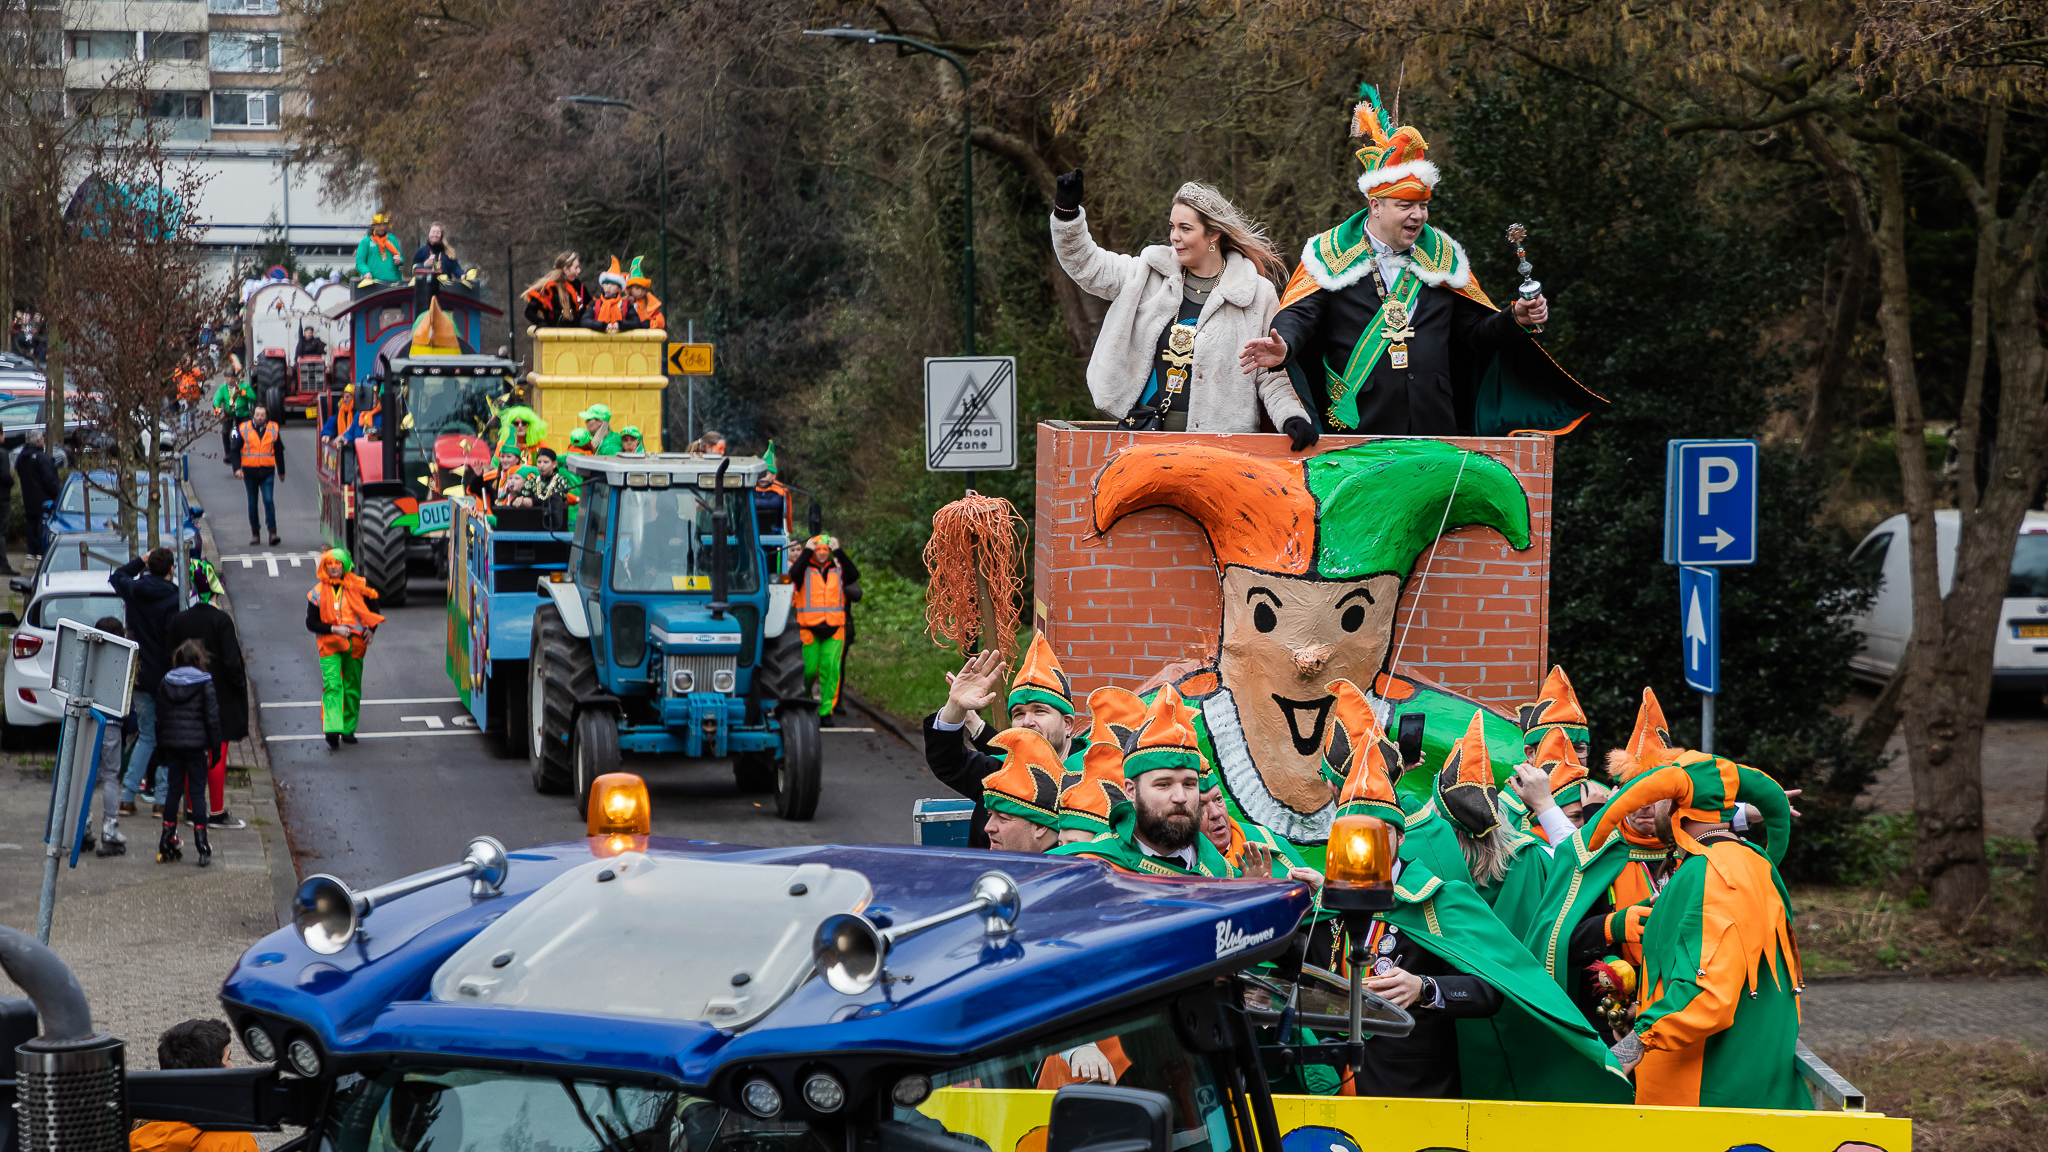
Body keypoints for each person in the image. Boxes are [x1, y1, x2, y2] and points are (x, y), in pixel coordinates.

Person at [1239, 84, 1601, 437]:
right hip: (1358, 430)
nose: (1418, 216)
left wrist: (1515, 318)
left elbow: (1475, 334)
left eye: (1423, 205)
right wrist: (1283, 343)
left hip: (1435, 427)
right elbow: (1300, 315)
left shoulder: (1443, 258)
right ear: (1375, 206)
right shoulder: (1329, 253)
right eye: (1406, 206)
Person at [1322, 706, 1629, 1103]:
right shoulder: (1531, 856)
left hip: (1435, 1078)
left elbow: (1493, 984)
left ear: (1406, 838)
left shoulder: (1441, 888)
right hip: (1374, 1078)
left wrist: (1424, 987)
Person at [1592, 752, 1807, 1109]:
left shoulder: (1717, 872)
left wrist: (1633, 1045)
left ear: (1678, 806)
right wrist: (1641, 1013)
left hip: (1711, 1091)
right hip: (1723, 1080)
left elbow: (1709, 993)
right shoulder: (1739, 860)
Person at [1049, 175, 1313, 444]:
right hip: (1140, 437)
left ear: (1213, 234)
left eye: (1185, 228)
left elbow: (1271, 375)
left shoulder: (1257, 293)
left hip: (1220, 449)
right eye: (1172, 227)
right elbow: (1088, 265)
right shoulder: (1146, 273)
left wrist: (1292, 417)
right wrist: (1067, 215)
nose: (1174, 237)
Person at [923, 636, 1093, 848]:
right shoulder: (999, 769)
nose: (1027, 722)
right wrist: (956, 707)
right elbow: (948, 763)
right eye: (1018, 714)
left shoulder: (1095, 778)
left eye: (1040, 711)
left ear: (1067, 724)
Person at [1049, 685, 1236, 877]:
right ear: (1130, 790)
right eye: (1163, 784)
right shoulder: (1087, 867)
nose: (1181, 797)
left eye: (1189, 784)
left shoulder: (1223, 872)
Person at [167, 559, 248, 832]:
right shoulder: (221, 621)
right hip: (219, 695)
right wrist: (238, 687)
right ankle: (215, 812)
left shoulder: (180, 619)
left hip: (186, 692)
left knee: (193, 753)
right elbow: (231, 663)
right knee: (216, 753)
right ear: (214, 590)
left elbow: (172, 655)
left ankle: (191, 810)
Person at [113, 548, 180, 816]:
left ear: (148, 568)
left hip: (139, 674)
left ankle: (128, 796)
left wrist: (139, 560)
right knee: (166, 738)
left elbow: (117, 575)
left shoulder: (135, 590)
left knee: (146, 737)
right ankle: (162, 801)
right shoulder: (174, 598)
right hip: (164, 676)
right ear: (171, 569)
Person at [131, 1019, 259, 1152]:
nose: (233, 1068)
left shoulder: (136, 1134)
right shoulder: (235, 1143)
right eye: (228, 1060)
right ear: (212, 1077)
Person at [305, 548, 384, 749]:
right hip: (329, 646)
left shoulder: (360, 586)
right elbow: (311, 622)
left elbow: (374, 610)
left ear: (344, 565)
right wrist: (333, 629)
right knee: (332, 685)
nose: (333, 568)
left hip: (356, 645)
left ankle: (348, 729)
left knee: (352, 687)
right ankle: (332, 729)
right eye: (329, 564)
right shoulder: (317, 592)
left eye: (337, 564)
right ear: (324, 567)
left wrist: (371, 630)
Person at [153, 639, 220, 866]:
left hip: (173, 746)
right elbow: (212, 719)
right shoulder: (205, 683)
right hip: (196, 747)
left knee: (173, 791)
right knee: (197, 793)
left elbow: (159, 719)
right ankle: (202, 844)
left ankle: (167, 838)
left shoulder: (166, 682)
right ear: (198, 659)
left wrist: (161, 746)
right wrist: (216, 748)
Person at [789, 534, 861, 719]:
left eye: (825, 550)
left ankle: (825, 711)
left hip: (835, 628)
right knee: (809, 669)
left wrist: (838, 550)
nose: (821, 553)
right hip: (809, 628)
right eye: (818, 549)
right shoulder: (804, 568)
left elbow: (854, 575)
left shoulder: (839, 568)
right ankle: (806, 699)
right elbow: (792, 575)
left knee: (831, 670)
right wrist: (806, 550)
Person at [979, 729, 1067, 852]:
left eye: (1003, 818)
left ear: (1040, 826)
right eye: (990, 814)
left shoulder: (1066, 869)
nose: (988, 827)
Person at [89, 617, 129, 857]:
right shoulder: (122, 659)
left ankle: (82, 825)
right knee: (111, 776)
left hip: (91, 721)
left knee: (89, 776)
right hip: (112, 724)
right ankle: (110, 829)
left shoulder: (90, 656)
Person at [231, 405, 283, 546]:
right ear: (253, 415)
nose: (259, 417)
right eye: (257, 414)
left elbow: (278, 450)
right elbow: (234, 450)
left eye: (262, 415)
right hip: (250, 473)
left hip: (267, 472)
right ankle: (255, 533)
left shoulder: (273, 429)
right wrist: (237, 469)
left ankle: (272, 533)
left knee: (268, 501)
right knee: (253, 504)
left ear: (267, 416)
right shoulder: (243, 428)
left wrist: (281, 471)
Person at [16, 429, 58, 557]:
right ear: (39, 440)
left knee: (31, 523)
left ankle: (31, 550)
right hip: (44, 499)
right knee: (42, 524)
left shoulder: (21, 458)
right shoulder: (42, 458)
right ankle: (40, 550)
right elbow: (50, 479)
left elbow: (19, 472)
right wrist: (56, 494)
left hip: (28, 497)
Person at [522, 251, 589, 329]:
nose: (579, 271)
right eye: (576, 268)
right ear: (566, 270)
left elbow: (588, 307)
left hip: (575, 335)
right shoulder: (549, 288)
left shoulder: (578, 286)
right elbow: (529, 312)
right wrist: (543, 324)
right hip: (555, 337)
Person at [352, 213, 404, 286]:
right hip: (374, 283)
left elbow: (401, 256)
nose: (382, 228)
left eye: (384, 225)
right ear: (373, 226)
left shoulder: (392, 239)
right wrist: (366, 272)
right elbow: (360, 261)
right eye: (379, 225)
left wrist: (400, 260)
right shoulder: (366, 241)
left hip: (394, 282)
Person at [584, 256, 630, 332]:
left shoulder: (625, 305)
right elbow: (585, 321)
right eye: (606, 284)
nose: (608, 287)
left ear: (619, 288)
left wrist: (620, 324)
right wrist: (602, 326)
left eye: (612, 284)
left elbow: (635, 322)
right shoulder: (595, 304)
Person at [620, 256, 664, 330]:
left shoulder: (651, 302)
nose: (640, 291)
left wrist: (645, 324)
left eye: (643, 289)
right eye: (637, 288)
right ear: (630, 289)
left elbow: (660, 322)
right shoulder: (622, 302)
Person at [0, 428, 16, 575]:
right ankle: (3, 564)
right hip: (2, 497)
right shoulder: (3, 454)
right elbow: (4, 474)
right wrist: (12, 482)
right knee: (1, 531)